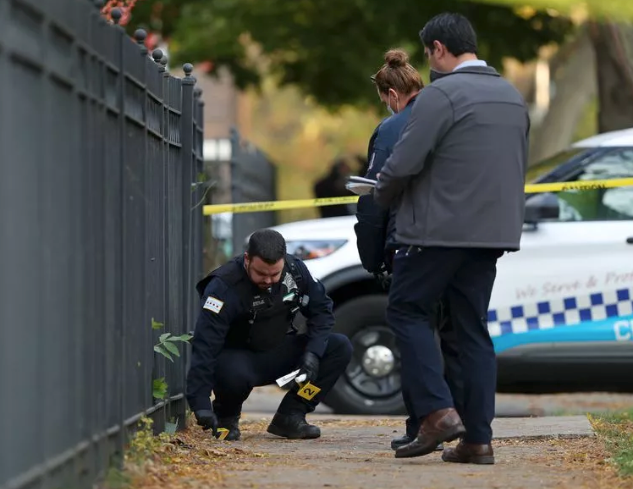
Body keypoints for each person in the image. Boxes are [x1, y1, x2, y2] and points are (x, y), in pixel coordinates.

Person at [374, 13, 530, 464]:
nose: (430, 62)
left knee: (406, 310)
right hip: (492, 234)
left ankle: (437, 413)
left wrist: (381, 195)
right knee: (471, 329)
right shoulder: (511, 97)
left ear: (439, 49)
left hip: (437, 231)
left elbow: (402, 164)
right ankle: (478, 440)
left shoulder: (441, 94)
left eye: (428, 54)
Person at [354, 48, 464, 453]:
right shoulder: (451, 118)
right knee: (453, 333)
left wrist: (372, 255)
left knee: (413, 329)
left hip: (411, 240)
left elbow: (375, 199)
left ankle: (425, 420)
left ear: (391, 95)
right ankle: (463, 420)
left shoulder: (392, 128)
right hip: (461, 240)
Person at [186, 229, 353, 440]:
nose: (268, 280)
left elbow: (322, 312)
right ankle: (226, 416)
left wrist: (313, 353)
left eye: (274, 274)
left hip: (277, 349)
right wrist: (200, 403)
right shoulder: (223, 287)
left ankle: (292, 414)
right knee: (230, 371)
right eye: (261, 274)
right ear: (247, 259)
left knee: (338, 347)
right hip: (238, 359)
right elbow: (205, 345)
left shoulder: (295, 271)